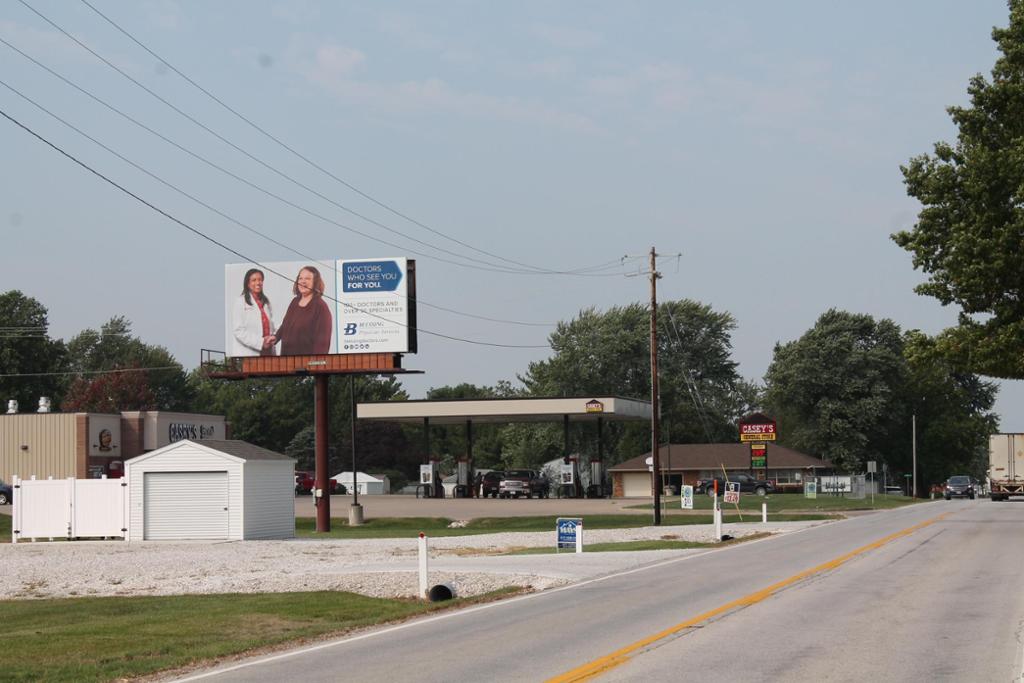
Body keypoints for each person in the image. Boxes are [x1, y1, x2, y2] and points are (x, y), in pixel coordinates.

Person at [274, 265, 333, 355]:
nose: (303, 281)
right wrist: (275, 338)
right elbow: (285, 325)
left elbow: (322, 344)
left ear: (315, 282)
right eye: (300, 278)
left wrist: (314, 365)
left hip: (306, 365)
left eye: (307, 278)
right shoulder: (294, 302)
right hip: (286, 362)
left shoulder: (321, 307)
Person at [231, 268, 277, 357]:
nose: (258, 283)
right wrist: (261, 342)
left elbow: (273, 326)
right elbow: (238, 330)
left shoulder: (266, 302)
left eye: (260, 280)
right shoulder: (240, 301)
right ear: (248, 284)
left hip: (268, 352)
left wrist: (275, 336)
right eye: (254, 280)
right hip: (250, 353)